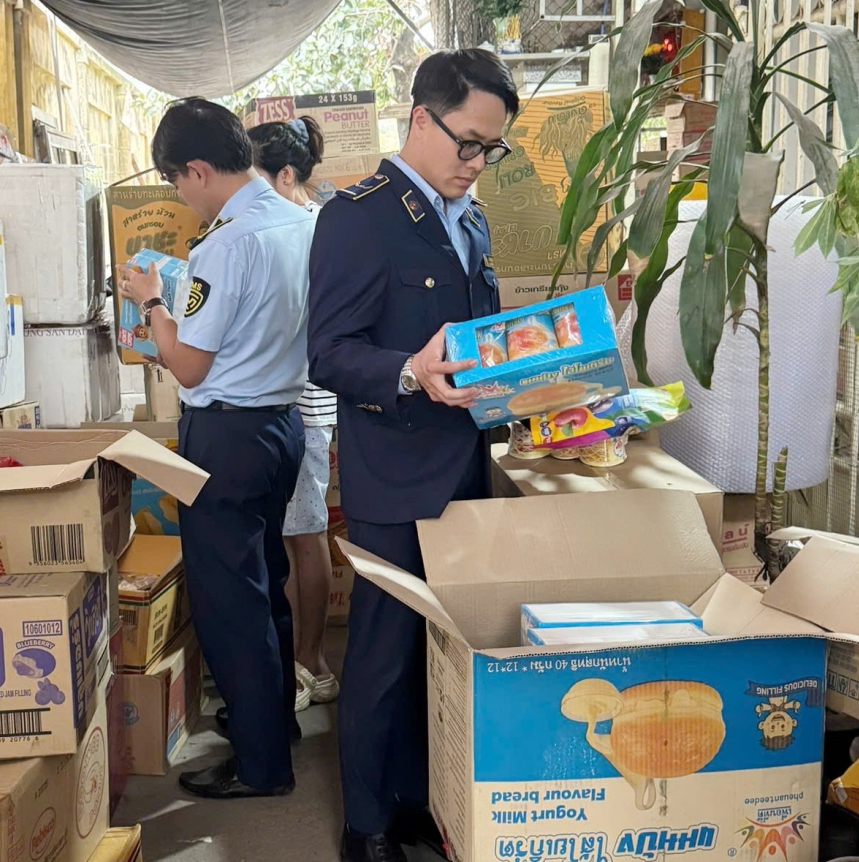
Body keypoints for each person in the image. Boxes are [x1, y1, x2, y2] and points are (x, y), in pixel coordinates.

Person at [307, 50, 519, 862]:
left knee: (444, 655)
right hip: (394, 475)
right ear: (420, 118)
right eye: (468, 143)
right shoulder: (358, 217)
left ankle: (415, 799)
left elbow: (477, 340)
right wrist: (408, 372)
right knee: (383, 656)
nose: (477, 164)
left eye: (491, 149)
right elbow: (328, 353)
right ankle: (365, 825)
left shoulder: (471, 220)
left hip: (467, 470)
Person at [118, 97, 315, 800]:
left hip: (228, 436)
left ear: (197, 170)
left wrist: (152, 301)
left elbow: (190, 366)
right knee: (265, 584)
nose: (181, 195)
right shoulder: (301, 221)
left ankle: (262, 766)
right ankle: (275, 725)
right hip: (282, 426)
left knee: (232, 603)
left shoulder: (224, 245)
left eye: (176, 180)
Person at [248, 115, 339, 714]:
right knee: (293, 534)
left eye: (256, 181)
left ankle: (313, 662)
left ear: (286, 176)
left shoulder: (311, 230)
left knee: (306, 535)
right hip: (289, 401)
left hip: (304, 402)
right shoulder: (295, 226)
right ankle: (301, 659)